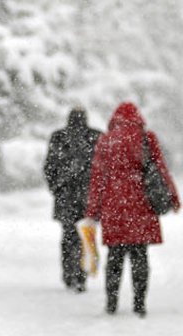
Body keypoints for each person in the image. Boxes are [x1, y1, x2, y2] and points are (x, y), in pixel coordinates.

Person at [85, 102, 179, 317]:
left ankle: (111, 303)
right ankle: (139, 303)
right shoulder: (147, 138)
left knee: (115, 256)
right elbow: (161, 169)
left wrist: (92, 211)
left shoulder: (106, 141)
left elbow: (98, 178)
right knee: (140, 255)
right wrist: (172, 196)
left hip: (114, 205)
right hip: (141, 204)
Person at [43, 106, 101, 293]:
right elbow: (105, 169)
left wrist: (57, 188)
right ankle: (81, 275)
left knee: (68, 236)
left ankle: (69, 273)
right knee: (86, 235)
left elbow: (49, 166)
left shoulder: (59, 137)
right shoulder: (97, 137)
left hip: (66, 196)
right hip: (89, 197)